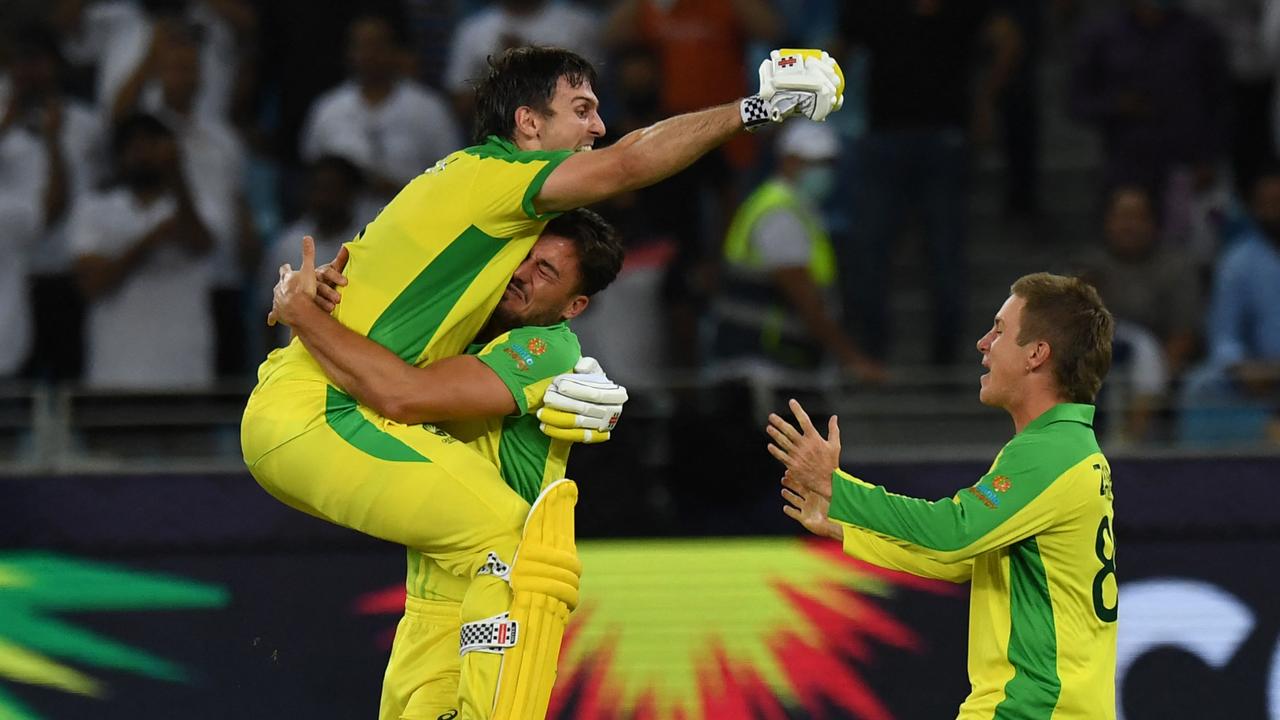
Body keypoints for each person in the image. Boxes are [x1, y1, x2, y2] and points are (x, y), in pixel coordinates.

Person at [240, 45, 845, 718]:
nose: (597, 131)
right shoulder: (501, 183)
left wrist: (310, 301)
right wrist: (755, 110)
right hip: (320, 415)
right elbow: (629, 162)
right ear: (528, 126)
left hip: (338, 436)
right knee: (509, 534)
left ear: (577, 306)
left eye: (549, 273)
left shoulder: (464, 226)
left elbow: (387, 320)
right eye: (582, 111)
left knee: (475, 567)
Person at [270, 209, 623, 720]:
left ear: (574, 306)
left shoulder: (545, 350)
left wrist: (306, 319)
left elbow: (402, 396)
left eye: (546, 271)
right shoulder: (452, 325)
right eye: (522, 256)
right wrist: (313, 296)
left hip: (495, 595)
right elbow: (353, 370)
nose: (522, 272)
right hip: (425, 608)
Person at [769, 272, 1118, 719]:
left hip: (1029, 710)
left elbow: (953, 531)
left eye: (999, 329)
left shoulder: (1048, 453)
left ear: (1036, 354)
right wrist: (841, 522)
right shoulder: (1070, 448)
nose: (982, 342)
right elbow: (955, 558)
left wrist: (836, 488)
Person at [710, 119, 882, 381]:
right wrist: (851, 358)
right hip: (762, 368)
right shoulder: (780, 214)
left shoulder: (796, 209)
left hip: (775, 363)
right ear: (789, 161)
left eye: (829, 164)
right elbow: (804, 298)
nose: (825, 172)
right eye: (817, 163)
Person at [71, 112, 217, 389]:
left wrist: (177, 176)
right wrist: (149, 241)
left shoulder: (199, 204)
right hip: (114, 372)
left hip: (185, 370)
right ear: (118, 155)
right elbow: (92, 284)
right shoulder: (94, 209)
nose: (142, 154)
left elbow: (202, 243)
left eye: (151, 144)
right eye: (133, 146)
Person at [1179, 169, 1280, 445]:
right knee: (1200, 387)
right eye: (1268, 204)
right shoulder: (1238, 262)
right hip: (1262, 375)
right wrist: (1241, 367)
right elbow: (1224, 335)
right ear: (1254, 209)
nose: (1276, 210)